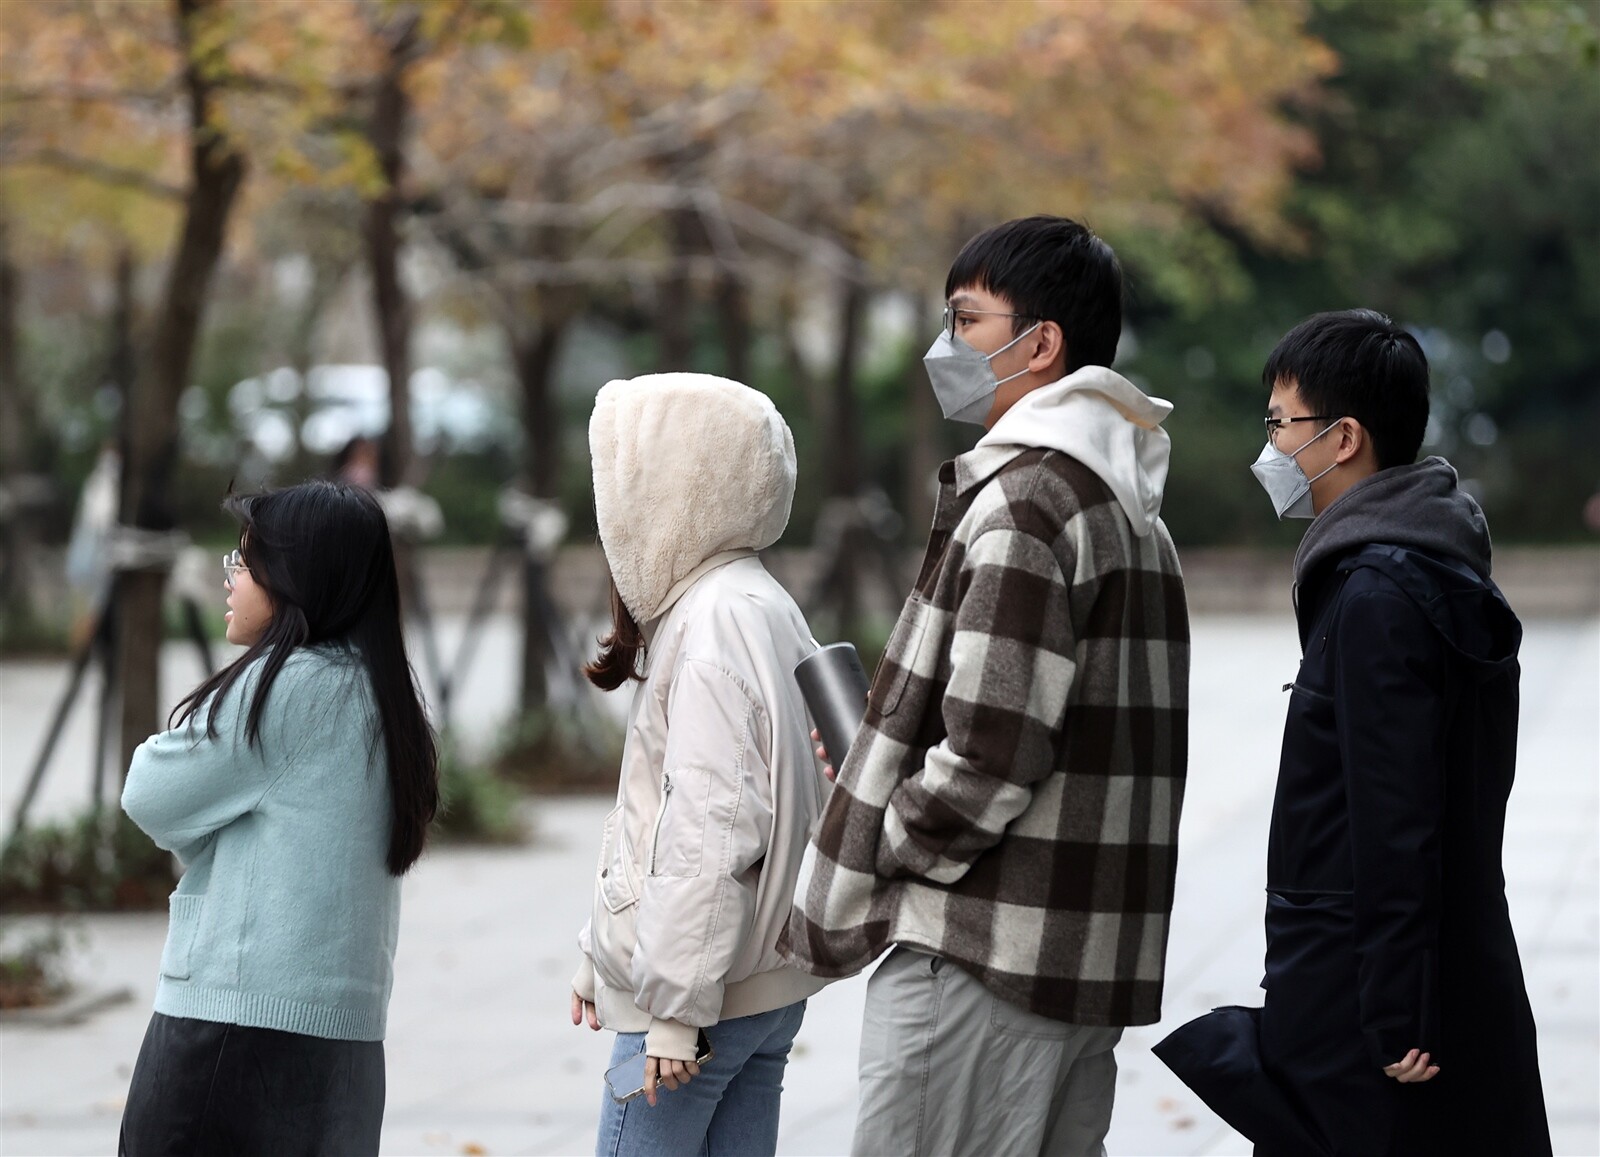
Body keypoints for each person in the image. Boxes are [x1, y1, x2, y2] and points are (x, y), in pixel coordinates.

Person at [783, 215, 1190, 1156]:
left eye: (966, 320)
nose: (946, 344)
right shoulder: (1131, 511)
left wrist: (882, 829)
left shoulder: (1024, 502)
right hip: (1076, 959)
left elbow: (991, 755)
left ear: (1039, 342)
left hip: (979, 957)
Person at [1157, 309, 1551, 1156]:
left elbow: (1395, 815)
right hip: (1428, 963)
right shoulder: (1426, 566)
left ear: (1342, 438)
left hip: (1363, 996)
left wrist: (1395, 1007)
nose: (1267, 446)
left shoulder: (1377, 595)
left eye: (1279, 423)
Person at [119, 481, 439, 1157]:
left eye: (246, 562)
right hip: (347, 1047)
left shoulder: (288, 686)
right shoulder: (383, 692)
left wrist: (207, 832)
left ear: (296, 576)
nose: (229, 578)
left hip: (233, 1032)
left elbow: (148, 788)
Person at [570, 373, 830, 1157]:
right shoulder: (761, 602)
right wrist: (598, 949)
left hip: (701, 1004)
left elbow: (708, 828)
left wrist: (673, 1009)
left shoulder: (711, 624)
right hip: (763, 985)